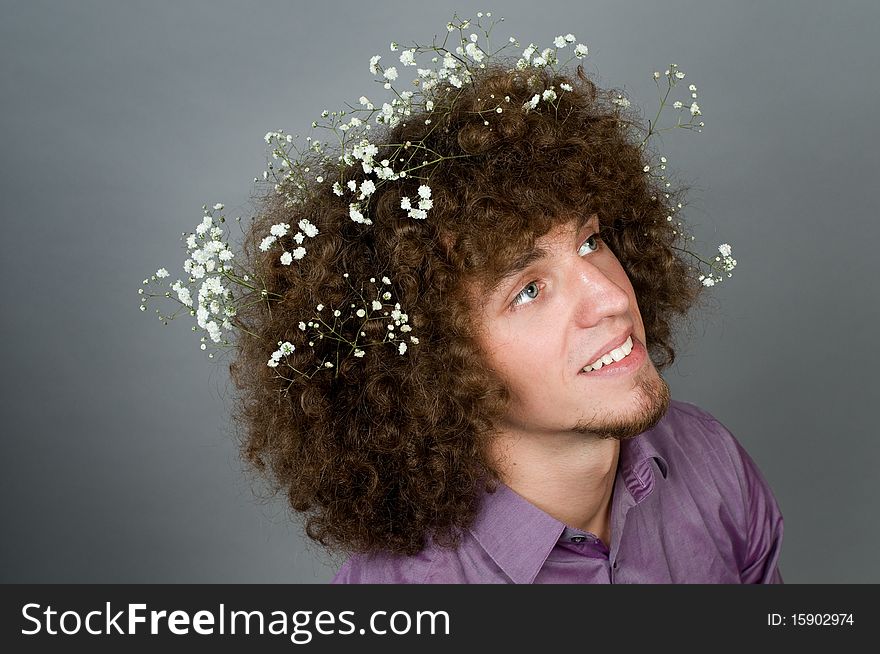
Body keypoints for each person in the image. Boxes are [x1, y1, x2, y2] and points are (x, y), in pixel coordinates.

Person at [226, 45, 784, 583]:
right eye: (530, 290)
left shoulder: (709, 460)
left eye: (590, 242)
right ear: (440, 364)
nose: (613, 298)